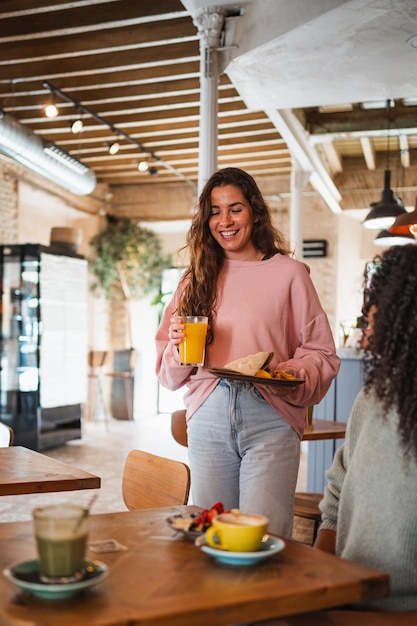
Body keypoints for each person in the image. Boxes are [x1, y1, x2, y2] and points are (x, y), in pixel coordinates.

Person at [155, 167, 340, 537]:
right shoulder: (194, 278)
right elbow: (168, 374)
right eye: (215, 211)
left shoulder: (290, 274)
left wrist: (286, 372)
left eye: (235, 208)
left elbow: (322, 352)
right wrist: (177, 349)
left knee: (265, 536)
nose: (225, 220)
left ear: (255, 212)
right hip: (208, 414)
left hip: (270, 416)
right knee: (212, 532)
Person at [264, 244, 417, 625]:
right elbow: (336, 492)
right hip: (349, 593)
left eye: (378, 302)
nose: (367, 316)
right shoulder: (373, 399)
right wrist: (321, 577)